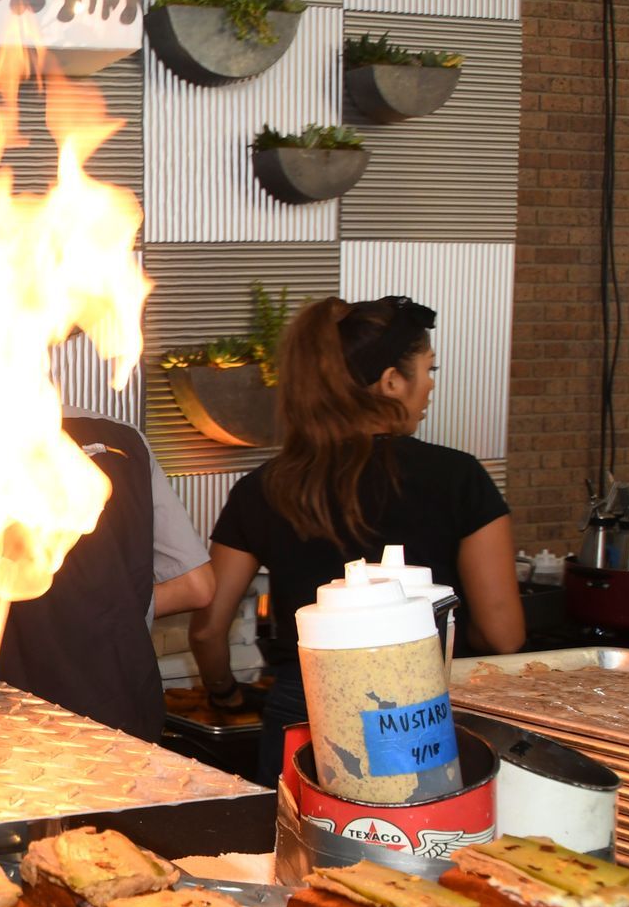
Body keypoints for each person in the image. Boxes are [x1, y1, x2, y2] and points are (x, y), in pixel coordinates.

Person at [186, 295, 524, 785]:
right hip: (423, 712)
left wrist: (224, 693)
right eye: (428, 369)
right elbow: (502, 635)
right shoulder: (458, 477)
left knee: (300, 832)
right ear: (391, 381)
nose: (431, 385)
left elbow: (207, 629)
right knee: (413, 830)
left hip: (303, 710)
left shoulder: (264, 487)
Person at [0, 330, 214, 741]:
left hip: (0, 714)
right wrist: (108, 608)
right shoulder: (124, 439)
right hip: (122, 708)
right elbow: (198, 587)